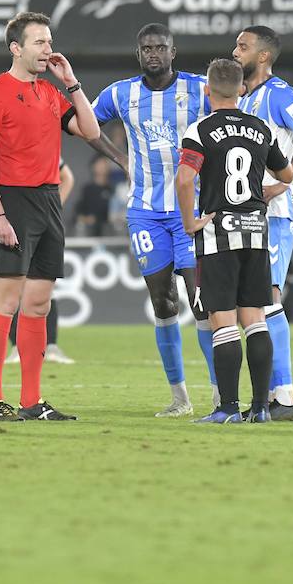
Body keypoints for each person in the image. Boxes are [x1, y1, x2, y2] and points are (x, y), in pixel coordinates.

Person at [0, 12, 101, 421]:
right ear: (16, 48)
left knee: (39, 304)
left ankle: (32, 401)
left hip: (48, 200)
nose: (48, 49)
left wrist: (72, 83)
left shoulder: (50, 92)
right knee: (6, 300)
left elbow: (92, 131)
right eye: (40, 42)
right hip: (12, 201)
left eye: (49, 42)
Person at [88, 24, 216, 417]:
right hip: (145, 211)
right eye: (147, 48)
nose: (153, 54)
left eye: (161, 47)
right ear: (138, 53)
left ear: (173, 52)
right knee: (163, 301)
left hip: (191, 210)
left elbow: (229, 121)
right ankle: (180, 398)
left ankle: (220, 394)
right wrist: (120, 158)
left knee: (202, 303)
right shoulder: (120, 94)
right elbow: (82, 123)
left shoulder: (200, 89)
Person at [178, 58, 293, 424]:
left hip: (219, 235)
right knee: (255, 320)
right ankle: (260, 408)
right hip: (256, 233)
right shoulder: (261, 128)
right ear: (242, 90)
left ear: (208, 91)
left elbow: (184, 179)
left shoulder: (200, 130)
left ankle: (227, 408)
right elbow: (287, 174)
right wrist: (269, 192)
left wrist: (190, 222)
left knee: (224, 322)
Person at [232, 26, 293, 421]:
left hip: (274, 212)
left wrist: (284, 181)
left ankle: (285, 397)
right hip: (247, 211)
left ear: (263, 56)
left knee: (267, 297)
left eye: (243, 46)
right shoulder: (244, 97)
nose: (235, 51)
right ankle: (272, 395)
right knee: (251, 303)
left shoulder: (279, 93)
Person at [0, 153, 77, 364]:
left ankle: (49, 346)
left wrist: (52, 207)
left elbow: (67, 176)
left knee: (41, 287)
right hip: (7, 221)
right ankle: (19, 347)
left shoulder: (40, 143)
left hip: (35, 219)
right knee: (13, 289)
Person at [74, 157, 117, 237]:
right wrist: (85, 218)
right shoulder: (87, 189)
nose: (102, 167)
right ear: (93, 166)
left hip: (109, 231)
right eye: (99, 164)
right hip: (90, 232)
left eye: (104, 164)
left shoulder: (113, 189)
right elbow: (79, 210)